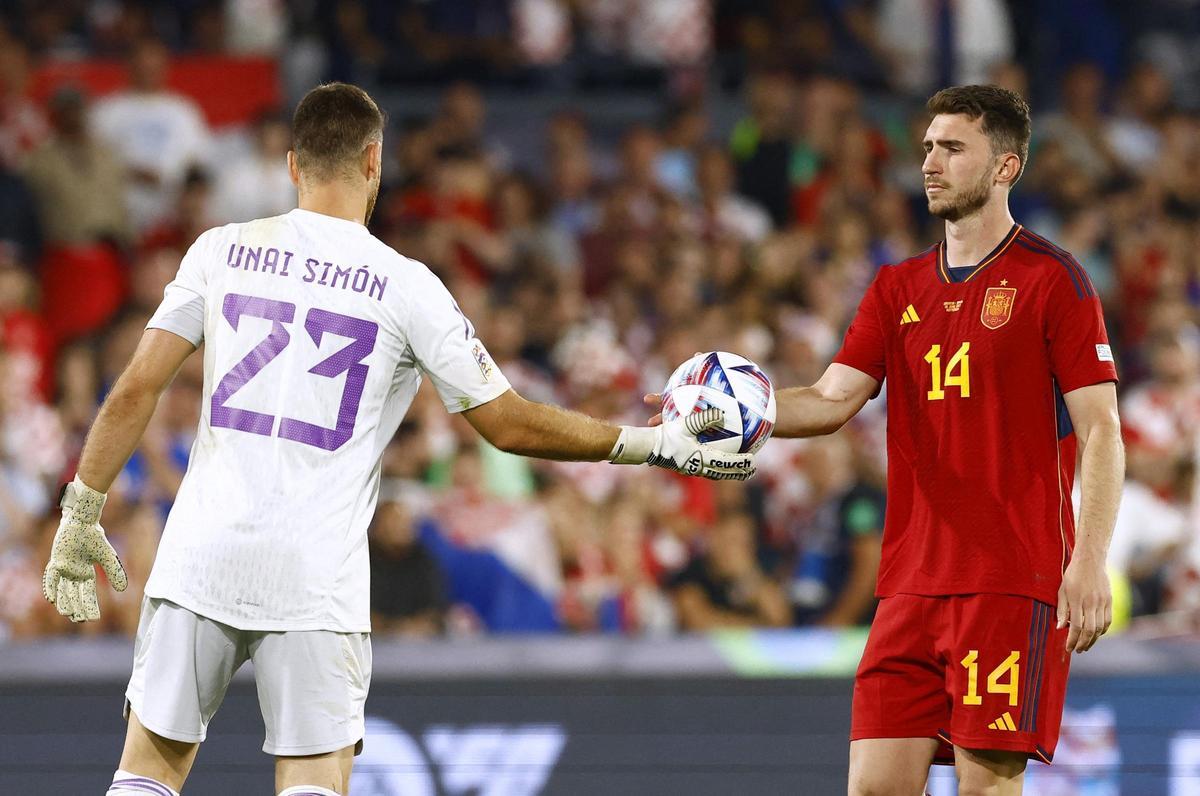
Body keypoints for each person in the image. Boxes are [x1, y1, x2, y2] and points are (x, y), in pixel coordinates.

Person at [40, 82, 755, 796]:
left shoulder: (220, 251)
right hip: (314, 576)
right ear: (375, 161)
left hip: (202, 553)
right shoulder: (404, 286)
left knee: (147, 773)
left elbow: (135, 387)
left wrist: (81, 511)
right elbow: (507, 423)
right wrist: (650, 442)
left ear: (293, 164)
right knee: (315, 783)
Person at [653, 85, 1124, 794]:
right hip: (907, 586)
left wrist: (1089, 562)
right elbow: (833, 398)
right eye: (928, 145)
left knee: (985, 786)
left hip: (1008, 580)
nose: (930, 161)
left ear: (1006, 168)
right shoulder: (896, 287)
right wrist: (738, 412)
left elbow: (1103, 431)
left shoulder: (1052, 280)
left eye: (953, 147)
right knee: (873, 788)